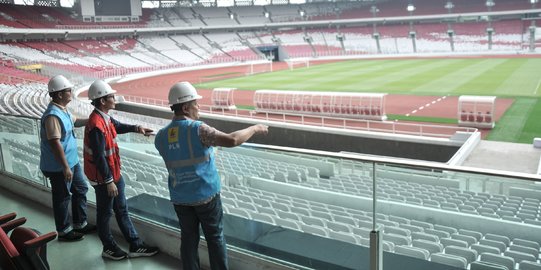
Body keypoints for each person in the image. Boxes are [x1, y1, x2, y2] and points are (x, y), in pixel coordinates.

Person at [154, 81, 268, 270]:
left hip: (180, 198)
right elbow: (232, 140)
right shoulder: (199, 129)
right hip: (205, 197)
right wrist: (255, 128)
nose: (198, 107)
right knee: (215, 239)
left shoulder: (161, 136)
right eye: (195, 103)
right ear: (185, 107)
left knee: (188, 240)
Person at [83, 80, 159, 260]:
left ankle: (135, 245)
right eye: (111, 96)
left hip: (113, 174)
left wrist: (137, 128)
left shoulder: (104, 117)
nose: (114, 99)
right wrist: (109, 181)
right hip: (104, 178)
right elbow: (99, 157)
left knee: (121, 210)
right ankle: (108, 247)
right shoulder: (96, 124)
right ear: (102, 101)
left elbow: (117, 126)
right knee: (105, 213)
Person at [40, 75, 96, 242]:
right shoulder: (52, 115)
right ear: (58, 95)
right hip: (59, 166)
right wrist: (65, 167)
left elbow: (75, 122)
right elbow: (55, 143)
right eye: (68, 91)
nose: (71, 93)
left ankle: (80, 223)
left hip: (72, 162)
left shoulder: (62, 110)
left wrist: (93, 119)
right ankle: (64, 231)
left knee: (80, 189)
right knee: (62, 197)